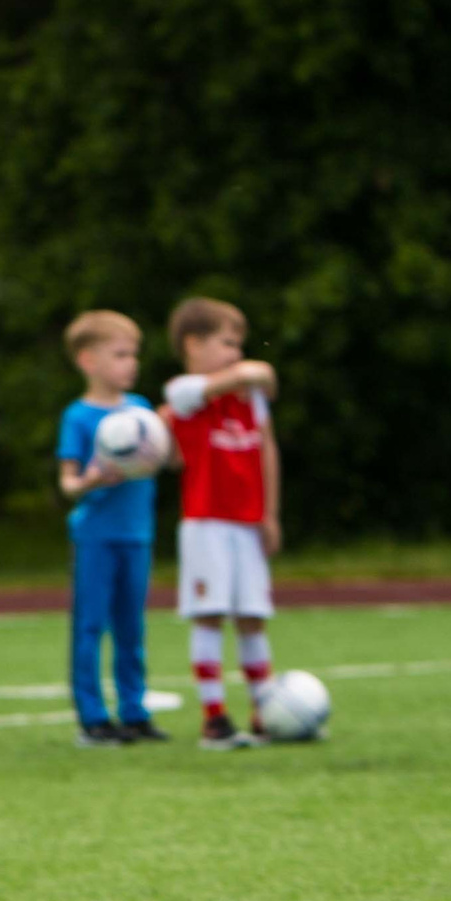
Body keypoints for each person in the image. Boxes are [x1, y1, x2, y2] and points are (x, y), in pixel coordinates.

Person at [160, 297, 283, 749]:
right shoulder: (185, 392)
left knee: (253, 617)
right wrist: (250, 372)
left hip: (246, 521)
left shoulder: (248, 398)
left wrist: (269, 513)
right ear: (193, 344)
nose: (237, 354)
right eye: (228, 343)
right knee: (209, 616)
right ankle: (214, 717)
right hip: (206, 522)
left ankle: (263, 710)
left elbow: (266, 446)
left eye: (240, 345)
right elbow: (254, 374)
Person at [55, 310, 167, 746]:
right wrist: (91, 480)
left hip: (137, 534)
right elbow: (67, 483)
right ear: (88, 361)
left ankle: (135, 712)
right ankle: (93, 717)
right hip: (96, 537)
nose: (131, 363)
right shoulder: (78, 417)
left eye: (133, 354)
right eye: (120, 354)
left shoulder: (141, 411)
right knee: (90, 626)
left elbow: (163, 456)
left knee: (131, 628)